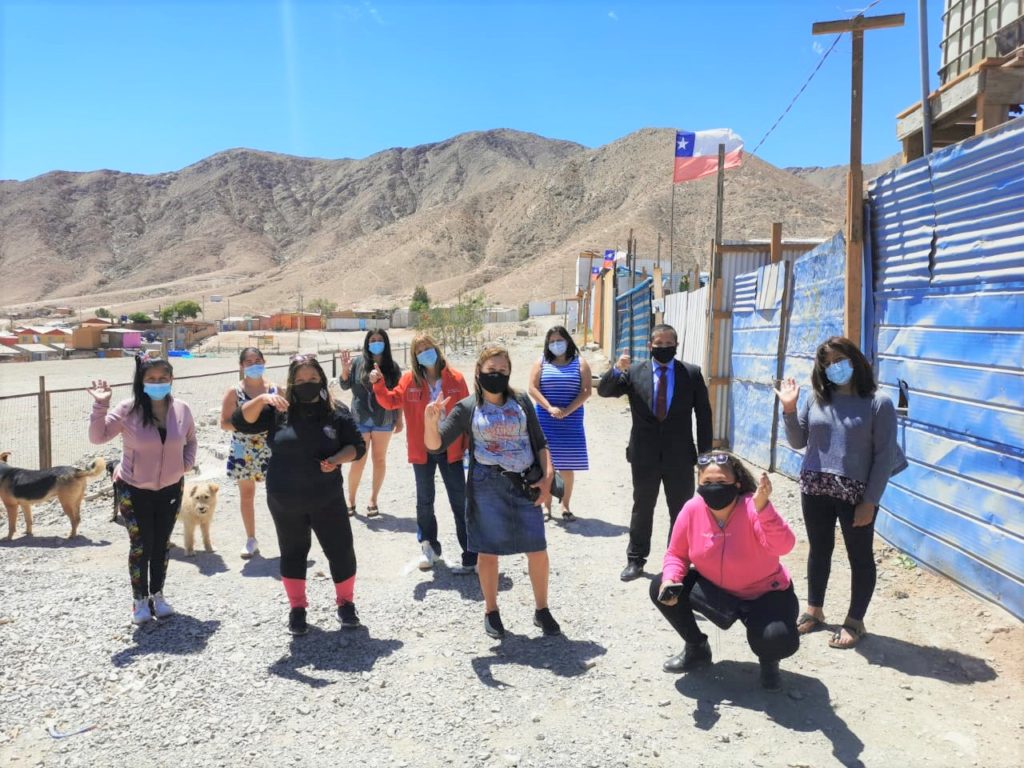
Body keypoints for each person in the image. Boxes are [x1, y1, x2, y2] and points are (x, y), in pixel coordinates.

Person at [423, 344, 561, 639]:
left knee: (537, 550)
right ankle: (491, 611)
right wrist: (430, 422)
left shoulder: (521, 401)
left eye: (502, 370)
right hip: (486, 486)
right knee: (487, 553)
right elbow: (435, 445)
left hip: (524, 484)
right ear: (479, 372)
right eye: (491, 370)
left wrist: (547, 478)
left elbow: (539, 442)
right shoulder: (467, 407)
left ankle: (542, 609)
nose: (497, 375)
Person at [776, 336, 899, 649]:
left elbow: (884, 457)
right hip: (815, 488)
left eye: (839, 360)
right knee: (819, 550)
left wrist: (870, 501)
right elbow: (798, 441)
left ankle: (855, 621)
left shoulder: (878, 402)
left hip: (855, 494)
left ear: (855, 360)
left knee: (860, 556)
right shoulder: (816, 399)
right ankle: (814, 610)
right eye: (827, 363)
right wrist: (789, 408)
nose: (834, 367)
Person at [233, 354, 366, 636]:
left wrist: (337, 459)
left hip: (327, 498)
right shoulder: (278, 411)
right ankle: (297, 608)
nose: (307, 383)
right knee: (293, 552)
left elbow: (357, 446)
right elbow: (240, 421)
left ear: (321, 379)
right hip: (285, 500)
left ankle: (346, 603)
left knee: (341, 550)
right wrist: (262, 399)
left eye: (313, 378)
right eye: (301, 379)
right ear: (292, 382)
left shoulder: (336, 411)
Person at [650, 451, 799, 691]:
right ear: (699, 484)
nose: (714, 487)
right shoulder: (692, 509)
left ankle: (769, 661)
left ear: (737, 484)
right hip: (718, 593)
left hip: (763, 594)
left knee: (777, 638)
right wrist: (670, 580)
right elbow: (676, 554)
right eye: (707, 482)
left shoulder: (753, 506)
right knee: (659, 585)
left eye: (721, 481)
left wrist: (764, 509)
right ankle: (696, 648)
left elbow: (784, 546)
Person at [597, 323, 713, 582]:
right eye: (658, 344)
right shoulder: (634, 372)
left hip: (680, 456)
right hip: (644, 455)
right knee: (643, 506)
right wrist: (616, 369)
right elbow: (604, 391)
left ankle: (677, 563)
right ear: (649, 346)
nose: (663, 348)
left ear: (676, 345)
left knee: (681, 510)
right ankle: (635, 559)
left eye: (668, 344)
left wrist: (706, 458)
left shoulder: (691, 373)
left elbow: (704, 415)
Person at [88, 356, 197, 625]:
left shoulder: (182, 409)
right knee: (141, 545)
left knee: (161, 544)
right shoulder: (128, 409)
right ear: (142, 381)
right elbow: (97, 437)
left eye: (163, 378)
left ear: (171, 379)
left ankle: (158, 596)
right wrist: (101, 405)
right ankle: (139, 601)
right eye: (151, 379)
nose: (157, 383)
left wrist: (185, 465)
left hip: (171, 488)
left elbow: (191, 439)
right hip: (133, 489)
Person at [371, 333, 475, 573]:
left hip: (451, 447)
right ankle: (430, 548)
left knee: (459, 500)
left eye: (427, 347)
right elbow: (390, 401)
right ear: (414, 357)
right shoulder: (409, 380)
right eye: (418, 351)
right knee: (424, 501)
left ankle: (471, 553)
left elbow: (467, 412)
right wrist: (378, 384)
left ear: (436, 348)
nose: (424, 353)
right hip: (422, 449)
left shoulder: (456, 378)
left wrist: (469, 445)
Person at [528, 325, 591, 522]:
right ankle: (546, 506)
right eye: (552, 341)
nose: (556, 344)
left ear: (568, 341)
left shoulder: (580, 362)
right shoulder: (541, 362)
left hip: (571, 421)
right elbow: (532, 388)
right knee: (547, 464)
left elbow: (586, 391)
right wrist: (550, 408)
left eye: (559, 340)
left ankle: (565, 505)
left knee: (567, 465)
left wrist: (567, 411)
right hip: (545, 420)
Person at [219, 347, 277, 559]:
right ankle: (251, 539)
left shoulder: (275, 389)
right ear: (241, 366)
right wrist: (247, 425)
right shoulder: (233, 392)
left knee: (278, 493)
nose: (254, 365)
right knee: (247, 495)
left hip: (270, 447)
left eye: (257, 360)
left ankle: (286, 535)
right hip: (243, 448)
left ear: (264, 361)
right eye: (249, 362)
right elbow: (224, 423)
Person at [338, 330, 403, 517]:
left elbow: (399, 396)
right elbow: (345, 385)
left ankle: (373, 499)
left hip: (384, 419)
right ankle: (351, 499)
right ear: (367, 343)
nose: (376, 343)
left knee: (379, 459)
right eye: (372, 340)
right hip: (360, 418)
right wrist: (345, 370)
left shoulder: (393, 367)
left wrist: (400, 419)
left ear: (386, 343)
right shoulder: (358, 363)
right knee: (358, 459)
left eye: (379, 340)